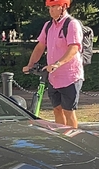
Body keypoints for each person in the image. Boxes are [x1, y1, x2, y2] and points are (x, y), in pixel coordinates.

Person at [22, 0, 84, 128]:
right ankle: (62, 139)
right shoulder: (48, 26)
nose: (50, 10)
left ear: (63, 7)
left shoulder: (72, 24)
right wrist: (30, 64)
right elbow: (40, 46)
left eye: (54, 6)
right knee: (57, 110)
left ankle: (73, 142)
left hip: (70, 77)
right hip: (54, 77)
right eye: (49, 7)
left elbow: (74, 48)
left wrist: (57, 64)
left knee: (69, 112)